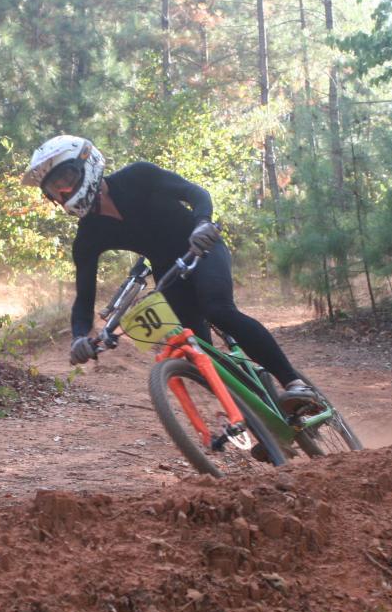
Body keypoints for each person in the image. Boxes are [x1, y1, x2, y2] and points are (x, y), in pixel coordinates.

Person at [21, 134, 321, 410]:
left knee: (218, 309)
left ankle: (293, 382)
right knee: (197, 350)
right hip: (169, 273)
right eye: (55, 190)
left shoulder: (137, 176)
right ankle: (261, 418)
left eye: (67, 179)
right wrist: (78, 337)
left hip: (201, 247)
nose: (64, 191)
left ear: (88, 162)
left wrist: (203, 222)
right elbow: (83, 298)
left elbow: (196, 193)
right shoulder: (88, 235)